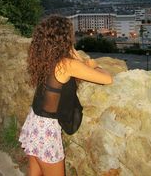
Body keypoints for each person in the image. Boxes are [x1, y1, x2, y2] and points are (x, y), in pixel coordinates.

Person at [19, 15, 113, 176]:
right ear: (65, 38)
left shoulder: (46, 58)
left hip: (35, 121)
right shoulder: (68, 64)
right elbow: (107, 79)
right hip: (46, 131)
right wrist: (93, 65)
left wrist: (75, 57)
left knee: (34, 173)